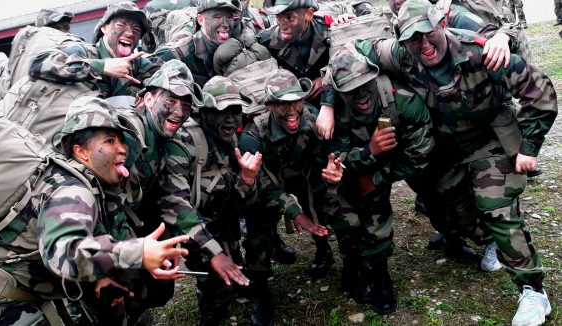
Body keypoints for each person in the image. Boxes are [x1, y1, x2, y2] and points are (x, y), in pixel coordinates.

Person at [356, 0, 557, 324]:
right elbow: (358, 48)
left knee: (494, 204)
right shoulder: (401, 53)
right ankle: (486, 238)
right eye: (412, 39)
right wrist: (325, 98)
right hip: (445, 144)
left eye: (428, 33)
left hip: (487, 136)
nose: (424, 45)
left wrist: (529, 147)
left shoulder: (480, 51)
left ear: (442, 25)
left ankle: (533, 292)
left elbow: (542, 93)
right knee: (447, 204)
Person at [0, 97, 190, 325]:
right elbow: (64, 253)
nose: (122, 150)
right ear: (81, 152)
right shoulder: (71, 191)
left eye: (122, 141)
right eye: (110, 141)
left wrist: (98, 279)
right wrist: (137, 252)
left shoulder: (94, 184)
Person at [121, 60, 251, 311]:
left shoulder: (163, 136)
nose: (179, 112)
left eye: (186, 104)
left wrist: (247, 179)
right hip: (99, 238)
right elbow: (173, 200)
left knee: (156, 293)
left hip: (139, 226)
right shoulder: (131, 135)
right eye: (170, 100)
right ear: (148, 99)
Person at [322, 43, 435, 314]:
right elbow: (335, 156)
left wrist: (378, 177)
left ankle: (381, 276)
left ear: (374, 76)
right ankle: (351, 265)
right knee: (342, 211)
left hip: (390, 164)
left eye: (365, 83)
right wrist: (369, 152)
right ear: (339, 93)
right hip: (356, 163)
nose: (360, 93)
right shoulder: (332, 112)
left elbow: (420, 155)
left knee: (375, 214)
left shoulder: (404, 101)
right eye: (350, 89)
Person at [156, 76, 261, 325]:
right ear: (204, 113)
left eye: (235, 111)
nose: (230, 118)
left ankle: (237, 284)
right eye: (222, 111)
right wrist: (214, 252)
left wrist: (248, 179)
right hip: (192, 224)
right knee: (215, 278)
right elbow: (176, 205)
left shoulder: (232, 140)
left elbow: (242, 200)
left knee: (234, 258)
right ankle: (212, 314)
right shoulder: (183, 143)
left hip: (222, 216)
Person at [240, 69, 341, 325]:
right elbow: (260, 185)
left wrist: (332, 172)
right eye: (282, 104)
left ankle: (324, 251)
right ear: (271, 106)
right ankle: (260, 291)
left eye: (296, 101)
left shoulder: (312, 118)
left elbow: (329, 153)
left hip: (304, 177)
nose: (291, 110)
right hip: (268, 189)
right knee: (257, 232)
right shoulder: (253, 136)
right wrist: (295, 212)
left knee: (327, 206)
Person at [30, 1, 160, 98]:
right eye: (121, 25)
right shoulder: (83, 52)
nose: (130, 33)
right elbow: (39, 64)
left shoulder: (138, 65)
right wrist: (101, 66)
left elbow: (165, 76)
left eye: (136, 30)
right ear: (104, 28)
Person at [152, 0, 261, 87]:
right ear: (200, 20)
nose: (225, 24)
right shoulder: (182, 51)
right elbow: (148, 72)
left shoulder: (242, 45)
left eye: (229, 17)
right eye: (217, 17)